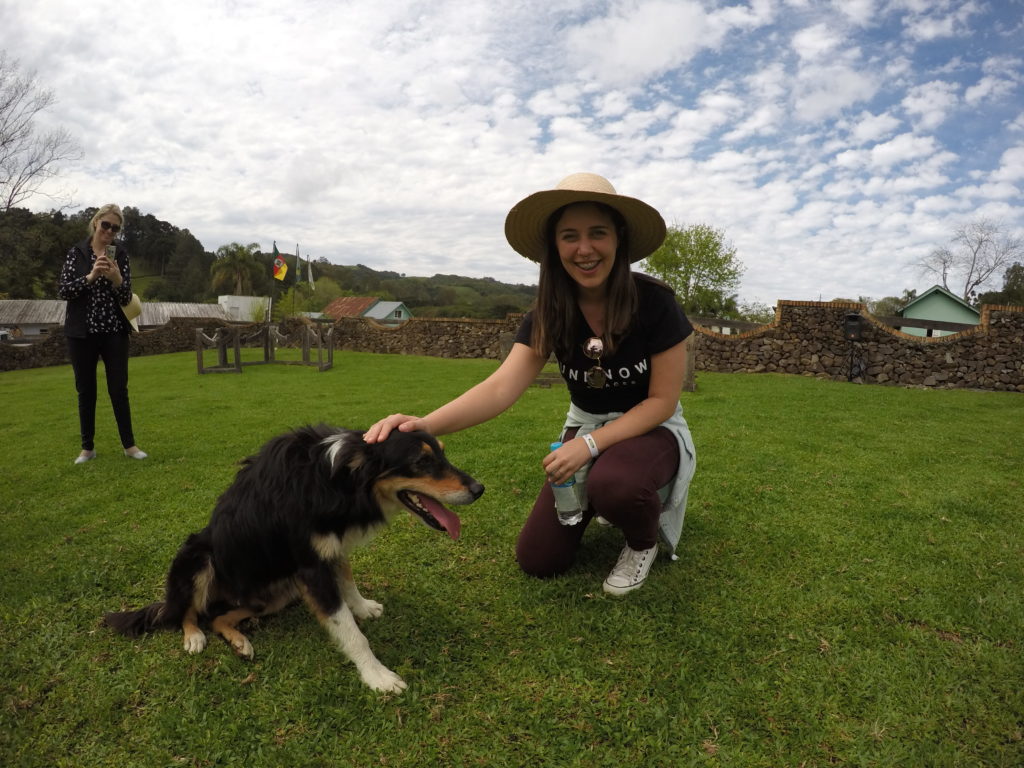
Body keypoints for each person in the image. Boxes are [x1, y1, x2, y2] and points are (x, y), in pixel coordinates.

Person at [365, 173, 697, 595]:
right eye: (569, 236)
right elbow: (501, 387)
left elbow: (663, 401)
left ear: (619, 239)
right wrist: (422, 426)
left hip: (653, 429)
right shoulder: (550, 312)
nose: (584, 248)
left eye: (598, 233)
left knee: (616, 483)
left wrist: (589, 447)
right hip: (587, 425)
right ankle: (607, 491)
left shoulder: (654, 302)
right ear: (554, 248)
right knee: (539, 559)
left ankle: (640, 541)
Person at [58, 204, 148, 464]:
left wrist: (117, 279)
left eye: (115, 228)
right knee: (86, 390)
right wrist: (91, 275)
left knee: (119, 389)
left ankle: (129, 446)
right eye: (106, 225)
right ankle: (87, 448)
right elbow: (64, 291)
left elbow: (126, 296)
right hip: (81, 332)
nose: (109, 231)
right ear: (96, 222)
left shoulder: (120, 254)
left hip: (114, 331)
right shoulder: (77, 252)